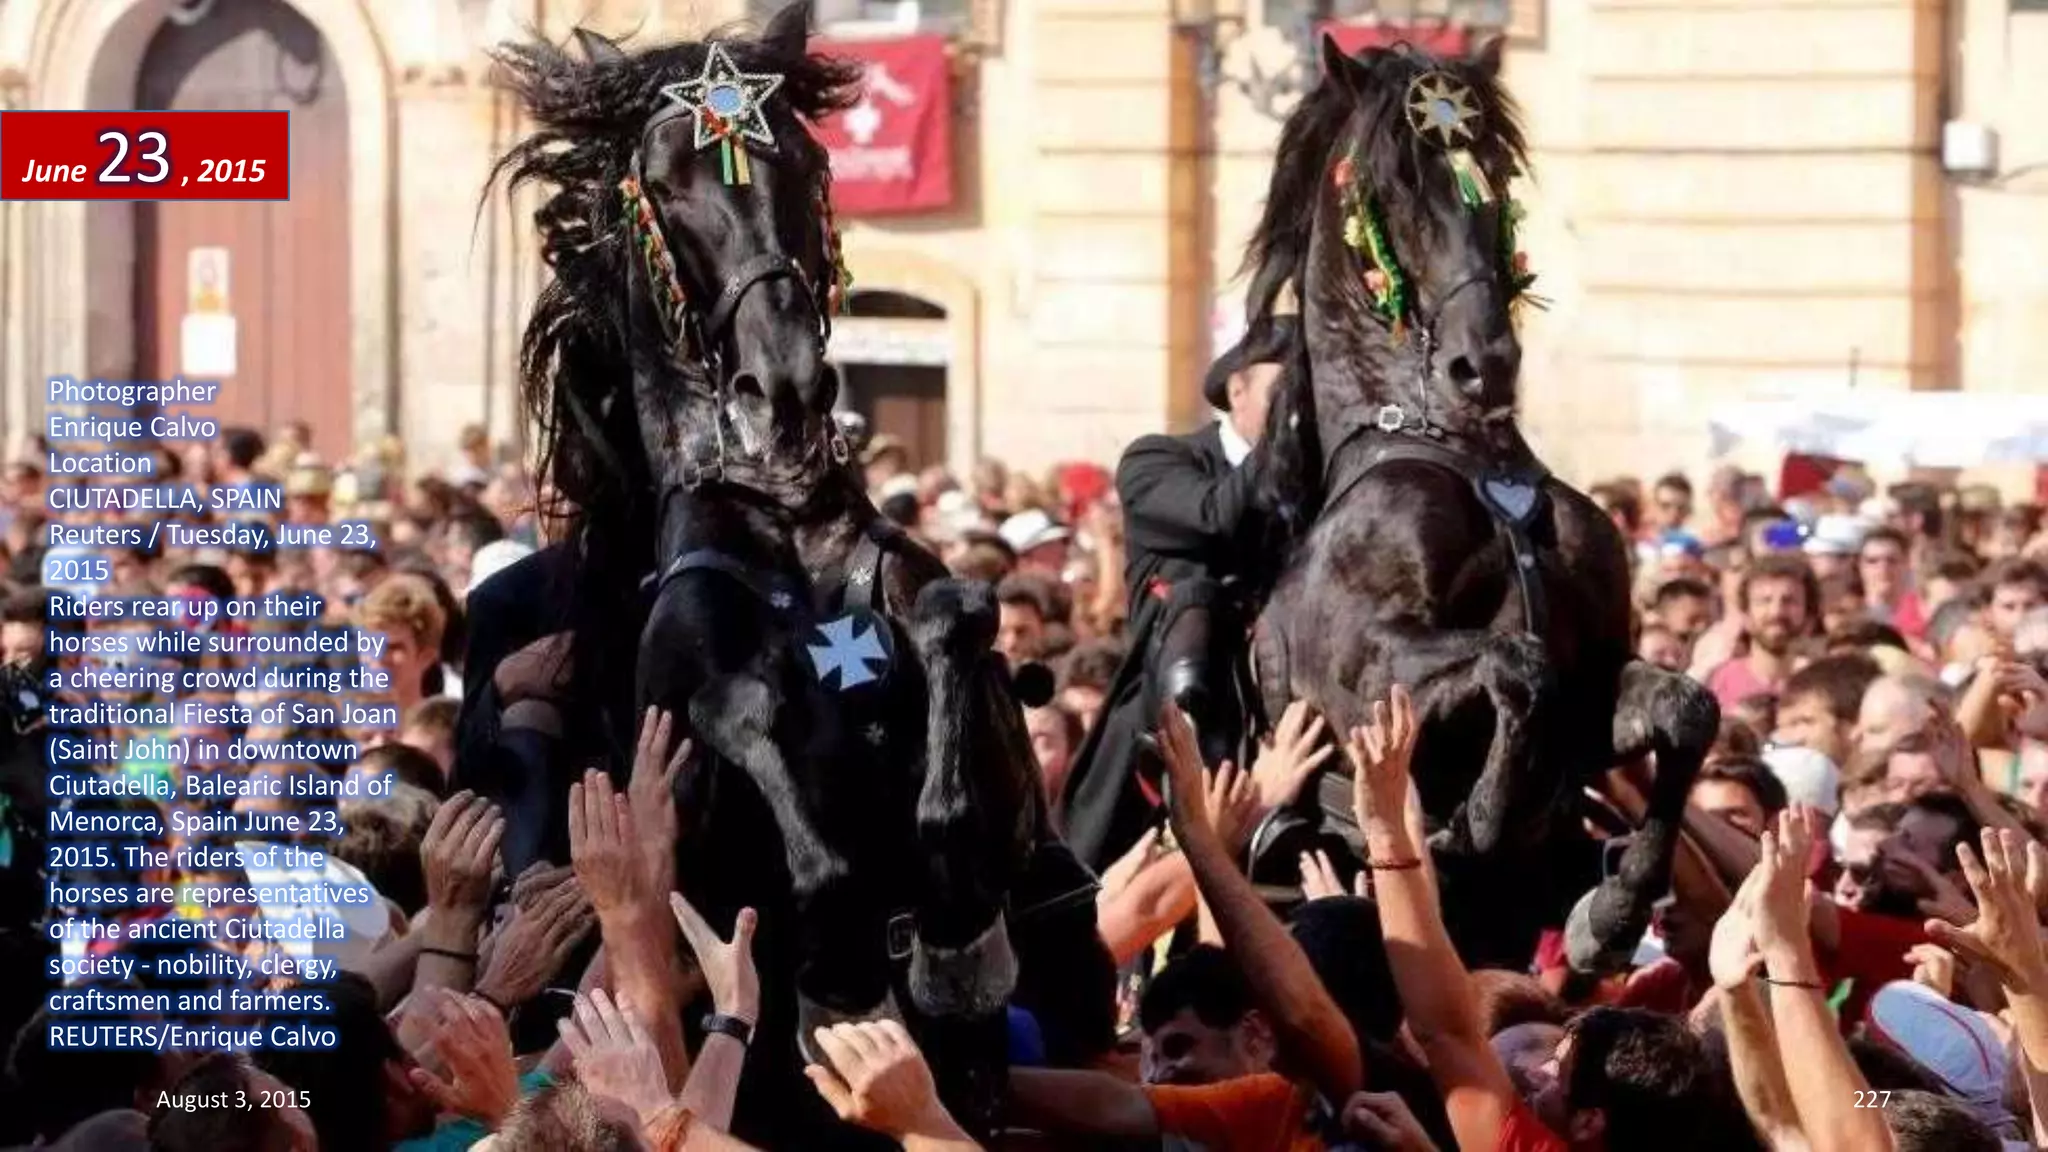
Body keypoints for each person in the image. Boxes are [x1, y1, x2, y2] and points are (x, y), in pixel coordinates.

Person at [1059, 311, 1294, 871]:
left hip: (1286, 702)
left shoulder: (1317, 480)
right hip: (1171, 701)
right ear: (1236, 390)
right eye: (1285, 392)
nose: (1301, 409)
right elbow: (1218, 518)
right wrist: (1287, 435)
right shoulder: (1158, 459)